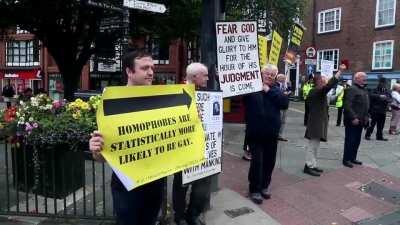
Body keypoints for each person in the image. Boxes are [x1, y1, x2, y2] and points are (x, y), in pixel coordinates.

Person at [89, 50, 164, 225]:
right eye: (145, 68)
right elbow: (101, 157)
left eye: (152, 68)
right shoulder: (112, 102)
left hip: (156, 181)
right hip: (126, 185)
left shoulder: (161, 100)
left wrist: (190, 120)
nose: (151, 72)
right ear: (129, 72)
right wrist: (96, 149)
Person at [243, 64, 289, 204]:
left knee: (269, 162)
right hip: (255, 133)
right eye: (266, 73)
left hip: (271, 134)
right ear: (261, 74)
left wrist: (268, 90)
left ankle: (264, 186)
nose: (269, 76)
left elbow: (284, 103)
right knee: (257, 162)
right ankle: (254, 189)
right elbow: (236, 90)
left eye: (271, 74)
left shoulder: (276, 90)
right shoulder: (251, 87)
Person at [173, 62, 210, 225]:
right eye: (205, 75)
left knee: (201, 182)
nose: (208, 78)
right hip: (183, 148)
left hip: (201, 146)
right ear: (195, 77)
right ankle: (179, 215)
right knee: (181, 183)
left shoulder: (203, 93)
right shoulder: (177, 93)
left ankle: (193, 214)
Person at [303, 64, 346, 176]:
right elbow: (329, 86)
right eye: (324, 81)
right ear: (318, 82)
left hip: (318, 122)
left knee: (315, 146)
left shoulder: (318, 92)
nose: (326, 83)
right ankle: (308, 166)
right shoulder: (315, 91)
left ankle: (313, 164)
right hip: (315, 122)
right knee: (312, 146)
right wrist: (339, 71)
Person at [342, 72, 370, 168]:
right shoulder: (352, 89)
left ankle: (353, 158)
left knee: (357, 141)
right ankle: (346, 159)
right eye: (363, 78)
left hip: (361, 121)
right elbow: (347, 105)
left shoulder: (364, 90)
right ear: (356, 79)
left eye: (365, 78)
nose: (365, 80)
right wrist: (353, 117)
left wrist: (367, 116)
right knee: (350, 140)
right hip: (352, 121)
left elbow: (366, 105)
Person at [276, 73, 291, 142]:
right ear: (279, 78)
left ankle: (280, 135)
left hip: (285, 105)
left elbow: (289, 91)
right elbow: (277, 93)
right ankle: (275, 134)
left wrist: (289, 90)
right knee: (278, 121)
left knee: (283, 122)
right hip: (278, 106)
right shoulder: (276, 85)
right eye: (283, 78)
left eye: (285, 78)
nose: (285, 79)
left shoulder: (286, 85)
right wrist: (283, 93)